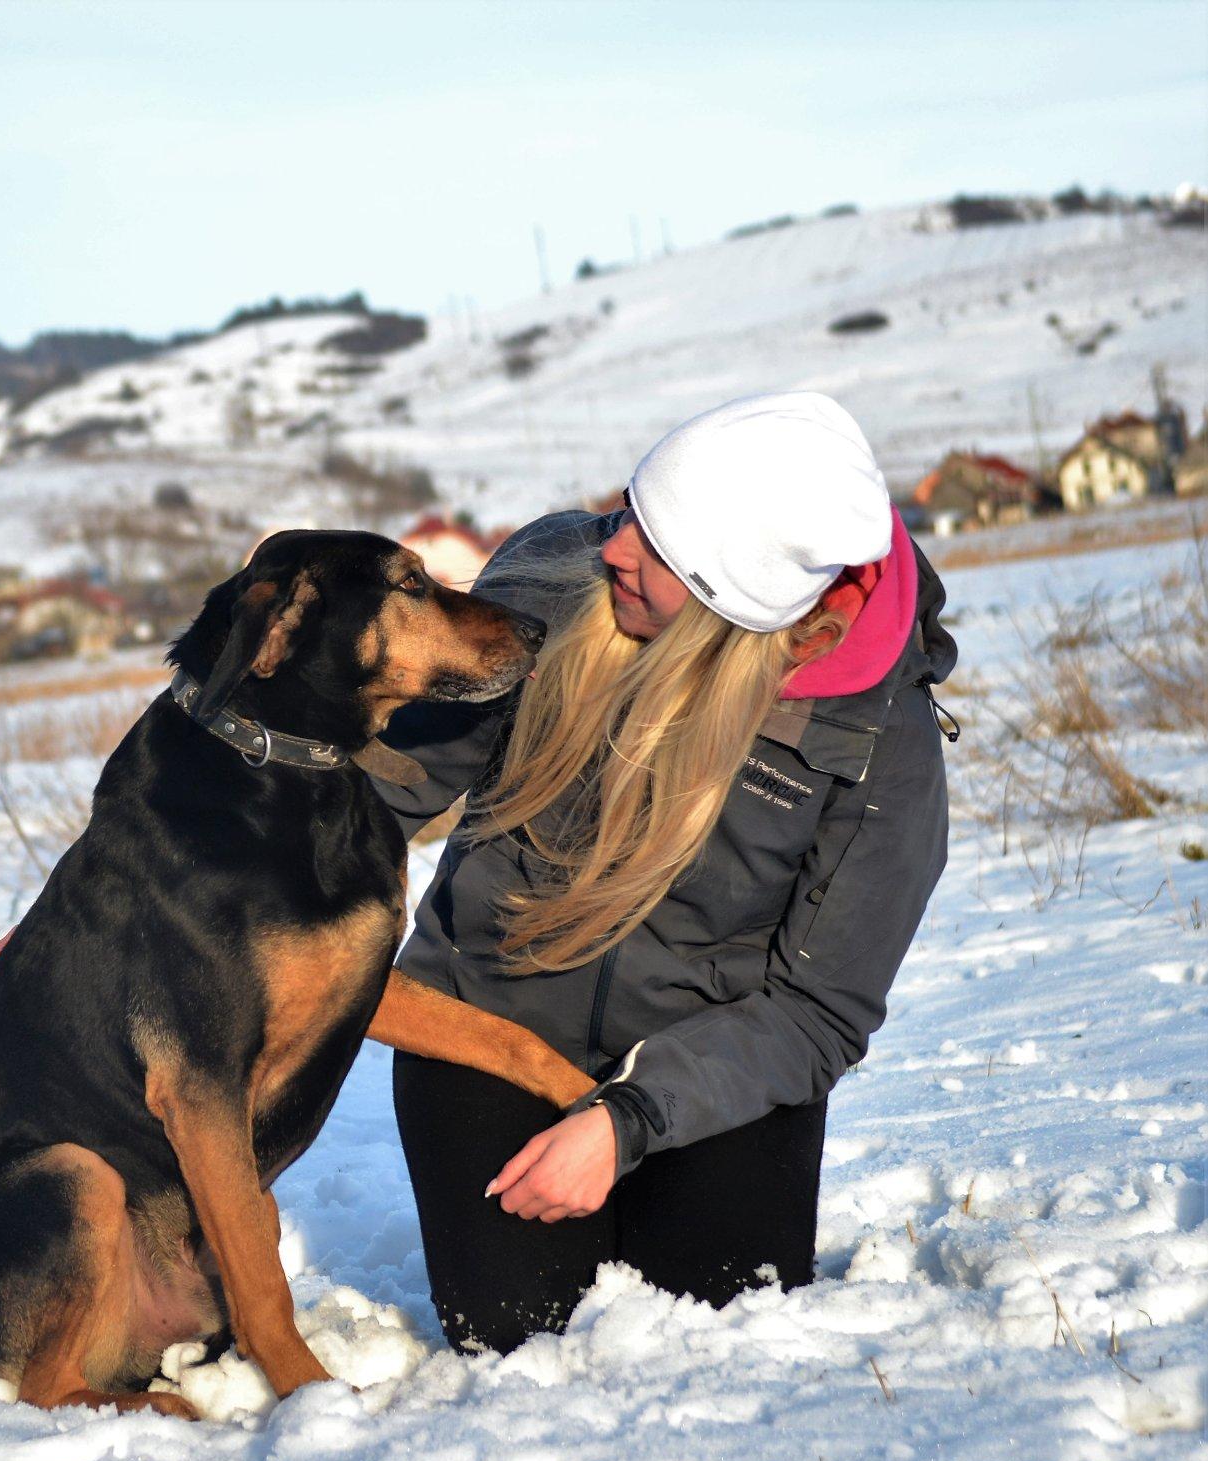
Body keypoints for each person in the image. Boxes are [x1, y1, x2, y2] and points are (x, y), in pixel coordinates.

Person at [371, 392, 958, 1356]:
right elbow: (377, 788)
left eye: (659, 544)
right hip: (489, 1030)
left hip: (709, 1069)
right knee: (518, 1345)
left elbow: (818, 1008)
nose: (613, 547)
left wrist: (626, 1121)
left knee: (716, 1337)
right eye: (630, 510)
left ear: (734, 597)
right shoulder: (553, 586)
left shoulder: (875, 734)